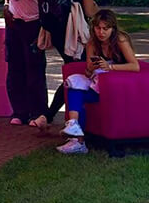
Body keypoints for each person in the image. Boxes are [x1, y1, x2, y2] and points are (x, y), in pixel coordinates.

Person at [57, 9, 140, 154]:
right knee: (74, 86)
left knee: (78, 93)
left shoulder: (120, 40)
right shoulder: (92, 44)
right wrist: (90, 68)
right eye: (98, 28)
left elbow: (135, 66)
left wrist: (110, 67)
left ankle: (78, 139)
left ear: (113, 28)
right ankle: (75, 129)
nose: (101, 32)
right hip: (98, 83)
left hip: (117, 87)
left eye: (105, 29)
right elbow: (88, 73)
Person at [38, 0, 101, 124]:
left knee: (73, 70)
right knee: (80, 73)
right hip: (77, 34)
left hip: (58, 33)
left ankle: (48, 116)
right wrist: (102, 11)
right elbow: (90, 11)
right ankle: (50, 116)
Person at [2, 0, 50, 131]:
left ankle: (37, 112)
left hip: (33, 27)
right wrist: (7, 12)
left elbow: (45, 6)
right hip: (15, 28)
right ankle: (18, 112)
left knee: (35, 71)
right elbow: (6, 3)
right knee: (15, 70)